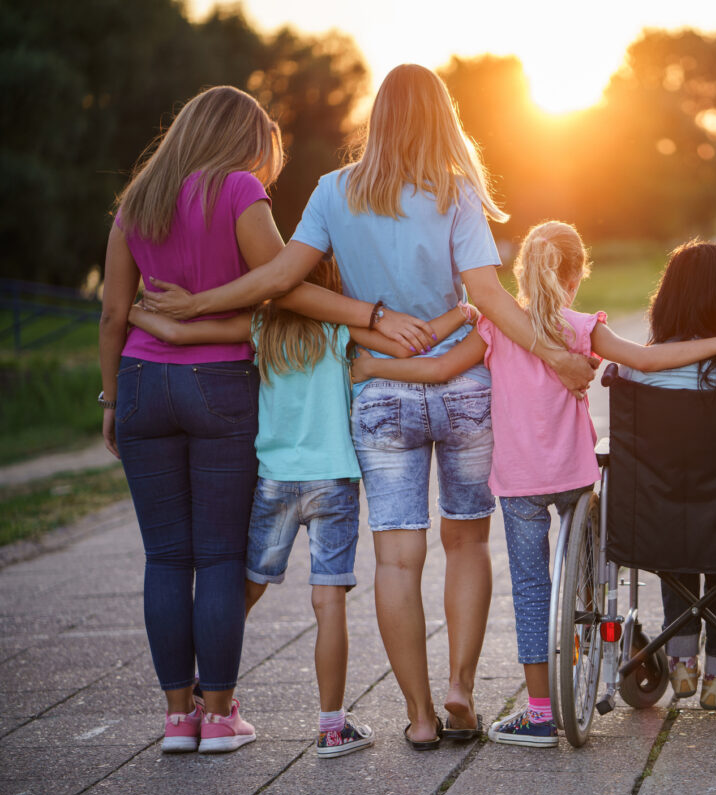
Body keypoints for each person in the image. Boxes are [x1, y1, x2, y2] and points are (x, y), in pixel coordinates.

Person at [139, 65, 597, 749]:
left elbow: (282, 280)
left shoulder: (332, 191)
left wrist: (199, 304)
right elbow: (491, 301)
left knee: (397, 560)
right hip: (465, 392)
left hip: (381, 393)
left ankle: (417, 716)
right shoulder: (457, 193)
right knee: (468, 540)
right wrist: (556, 353)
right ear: (442, 118)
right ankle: (460, 693)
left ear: (377, 118)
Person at [97, 86, 412, 756]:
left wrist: (108, 398)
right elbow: (283, 283)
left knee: (164, 558)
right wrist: (370, 316)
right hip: (219, 387)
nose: (275, 156)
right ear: (247, 137)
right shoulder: (238, 189)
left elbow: (112, 313)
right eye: (272, 140)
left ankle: (176, 719)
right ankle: (219, 719)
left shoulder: (138, 200)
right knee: (216, 556)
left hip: (140, 384)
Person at [352, 226, 716, 743]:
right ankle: (588, 620)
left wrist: (372, 365)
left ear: (521, 272)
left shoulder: (498, 329)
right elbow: (648, 360)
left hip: (520, 487)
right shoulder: (582, 327)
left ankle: (540, 712)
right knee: (587, 564)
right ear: (574, 275)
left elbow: (437, 369)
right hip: (574, 477)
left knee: (530, 591)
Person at [126, 260, 476, 757]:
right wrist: (462, 314)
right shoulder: (339, 331)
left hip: (273, 481)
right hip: (333, 482)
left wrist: (132, 314)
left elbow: (178, 337)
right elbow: (408, 342)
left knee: (245, 585)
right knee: (327, 602)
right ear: (333, 288)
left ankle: (206, 684)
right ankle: (332, 727)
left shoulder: (261, 328)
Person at [612, 241, 716, 711]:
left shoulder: (638, 372)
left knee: (675, 524)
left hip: (658, 517)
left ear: (667, 301)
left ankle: (681, 658)